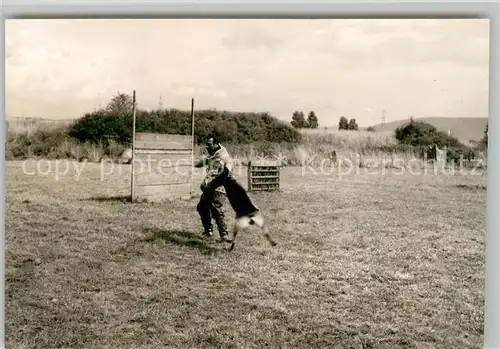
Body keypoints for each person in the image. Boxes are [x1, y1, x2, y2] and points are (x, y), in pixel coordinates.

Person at [193, 135, 234, 242]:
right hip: (210, 187)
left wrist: (215, 179)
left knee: (215, 208)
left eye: (209, 144)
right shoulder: (213, 155)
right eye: (206, 144)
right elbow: (206, 161)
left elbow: (227, 171)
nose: (207, 146)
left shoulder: (224, 156)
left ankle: (224, 235)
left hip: (220, 188)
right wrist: (196, 164)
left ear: (216, 144)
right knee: (202, 207)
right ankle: (208, 230)